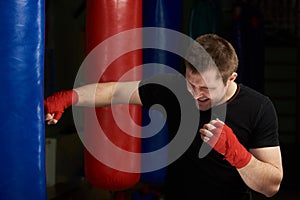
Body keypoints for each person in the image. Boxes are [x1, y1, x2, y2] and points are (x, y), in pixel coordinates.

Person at [44, 34, 283, 199]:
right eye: (191, 84)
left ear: (231, 78)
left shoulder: (258, 108)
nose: (196, 95)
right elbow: (115, 91)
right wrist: (68, 97)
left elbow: (272, 186)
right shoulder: (175, 90)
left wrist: (237, 153)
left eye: (206, 89)